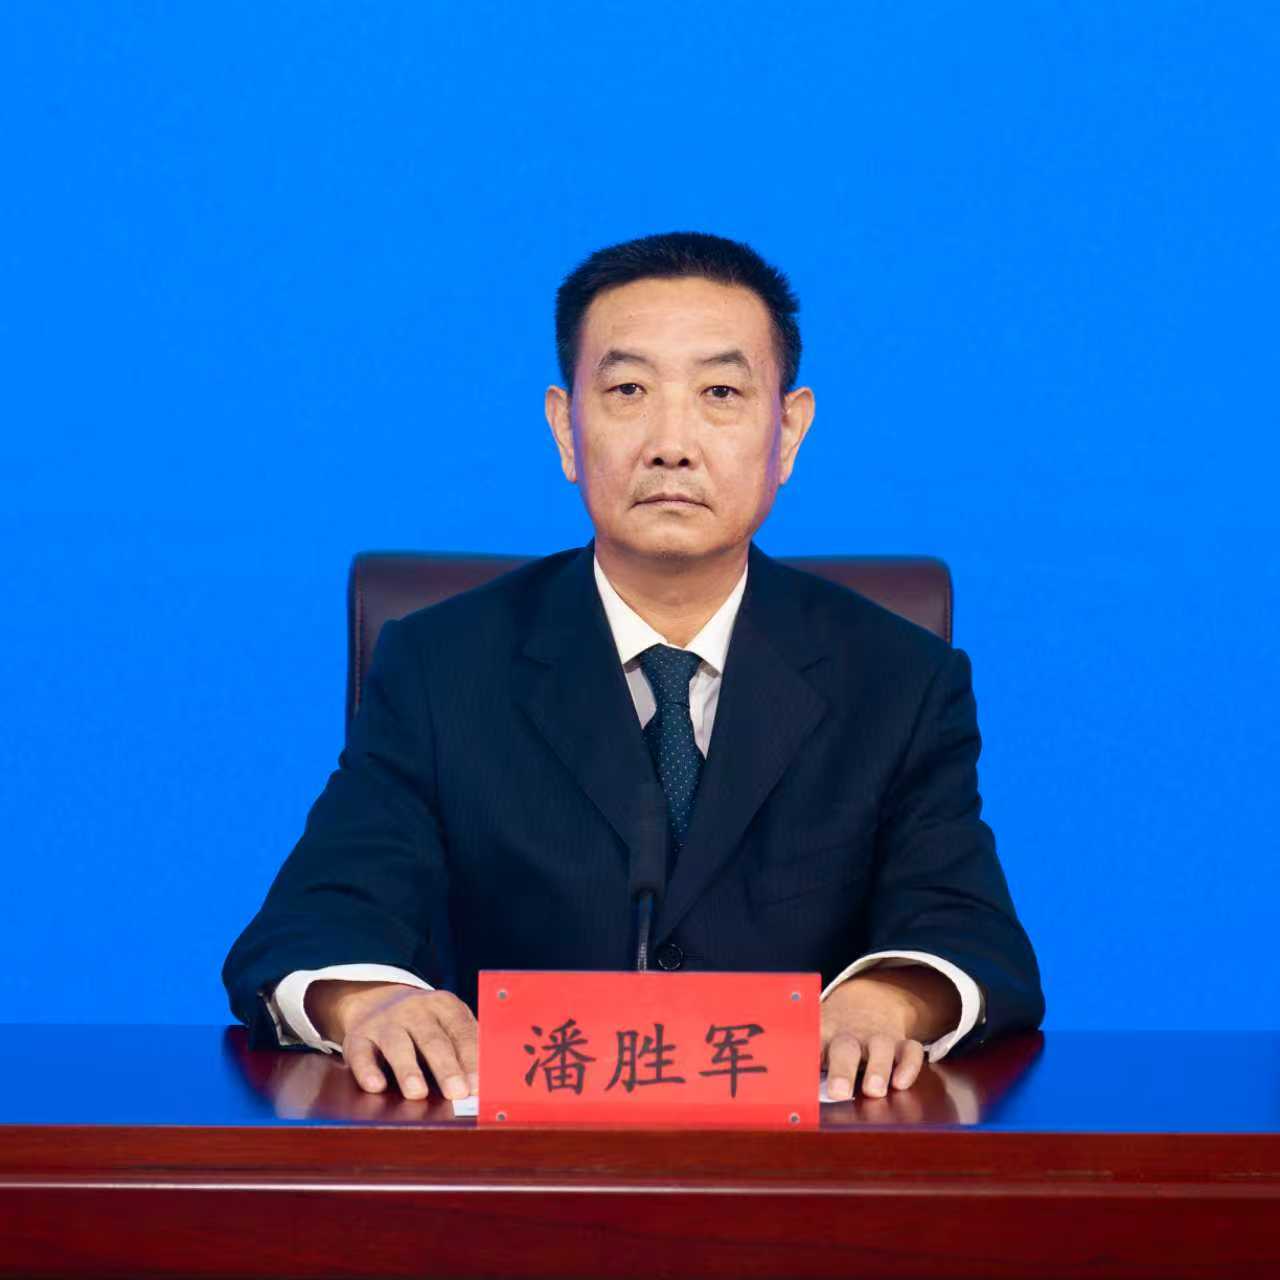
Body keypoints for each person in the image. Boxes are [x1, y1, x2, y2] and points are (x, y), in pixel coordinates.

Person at [222, 230, 1045, 1106]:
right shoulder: (440, 667)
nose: (671, 444)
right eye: (627, 391)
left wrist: (889, 999)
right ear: (565, 428)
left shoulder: (898, 679)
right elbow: (312, 923)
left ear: (789, 431)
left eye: (720, 392)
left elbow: (971, 934)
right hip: (520, 1166)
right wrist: (373, 1001)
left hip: (799, 1169)